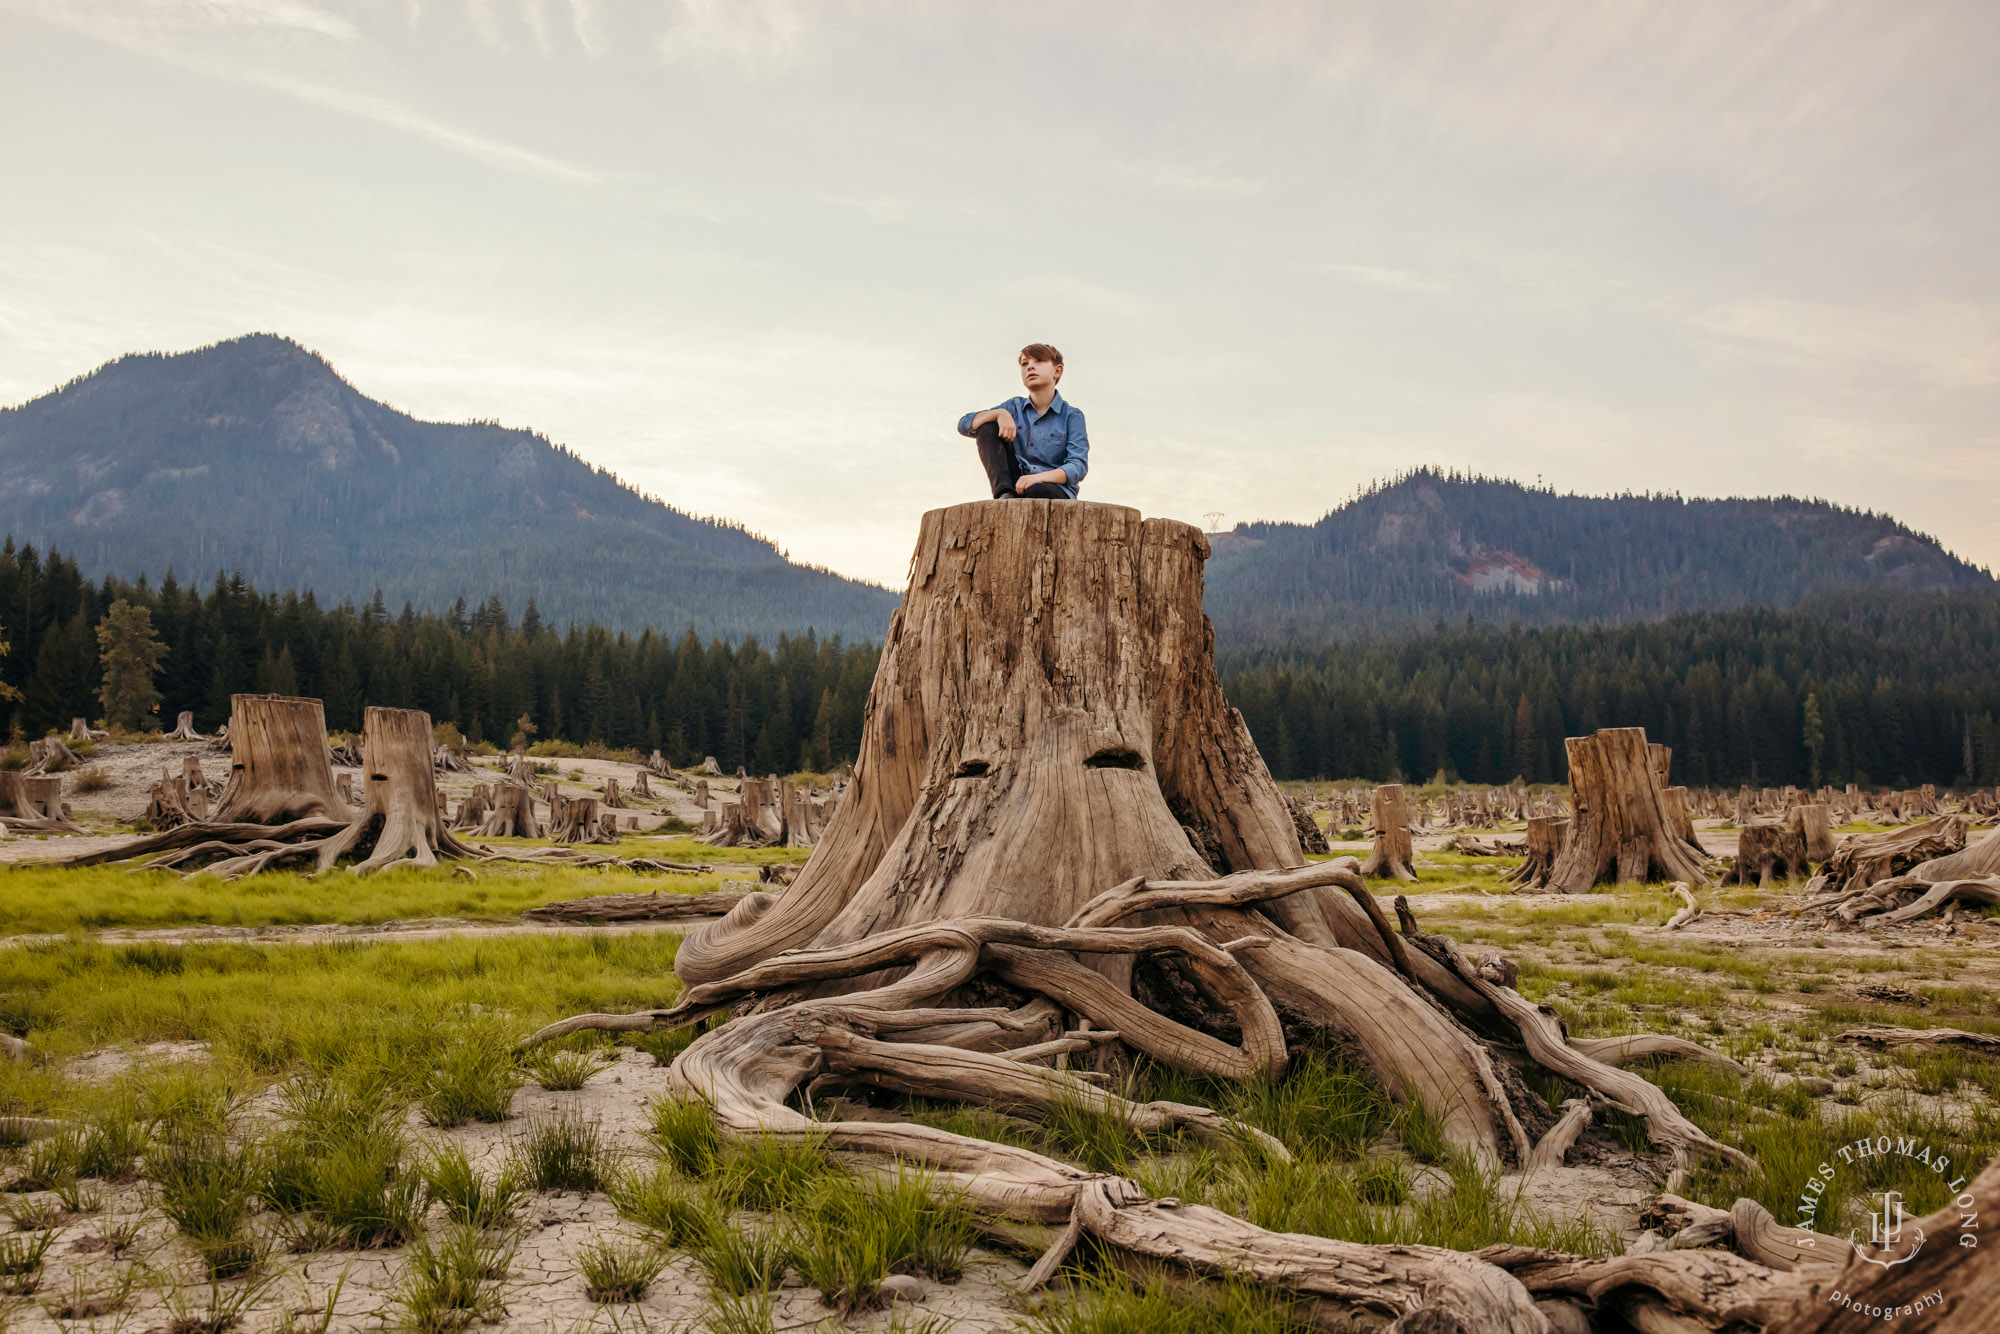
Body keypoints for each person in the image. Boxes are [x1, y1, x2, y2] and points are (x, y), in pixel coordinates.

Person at [957, 343, 1089, 500]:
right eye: (1025, 363)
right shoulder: (1013, 407)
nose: (1030, 367)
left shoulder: (1072, 416)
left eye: (1039, 361)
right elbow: (964, 424)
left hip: (1052, 488)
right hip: (1014, 485)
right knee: (987, 426)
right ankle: (1004, 496)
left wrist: (1037, 478)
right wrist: (999, 413)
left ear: (1057, 370)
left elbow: (1077, 466)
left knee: (1039, 491)